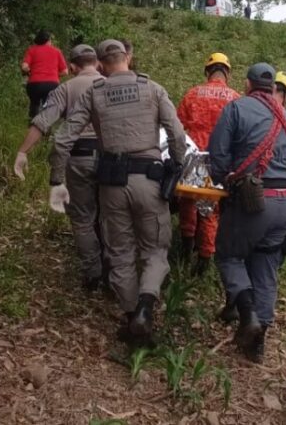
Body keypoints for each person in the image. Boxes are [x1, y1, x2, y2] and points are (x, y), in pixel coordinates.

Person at [49, 39, 186, 344]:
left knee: (120, 253)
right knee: (155, 250)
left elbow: (62, 141)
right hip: (149, 180)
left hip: (111, 184)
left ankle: (130, 317)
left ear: (99, 64)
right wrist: (176, 166)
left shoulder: (93, 92)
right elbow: (176, 133)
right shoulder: (153, 89)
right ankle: (145, 309)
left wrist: (57, 180)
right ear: (129, 57)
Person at [207, 63, 286, 362]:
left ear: (248, 85)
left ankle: (247, 314)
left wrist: (225, 182)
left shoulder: (236, 109)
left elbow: (218, 156)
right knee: (266, 264)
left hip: (254, 199)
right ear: (272, 86)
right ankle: (258, 342)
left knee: (229, 254)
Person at [13, 44, 106, 290]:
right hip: (112, 158)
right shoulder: (111, 85)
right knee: (110, 215)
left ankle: (92, 272)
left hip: (79, 158)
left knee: (83, 218)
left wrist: (23, 151)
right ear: (97, 63)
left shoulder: (65, 88)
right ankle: (113, 268)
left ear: (73, 67)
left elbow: (43, 122)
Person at [175, 53, 241, 275]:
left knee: (187, 203)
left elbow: (177, 126)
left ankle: (185, 248)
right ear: (227, 73)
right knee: (209, 211)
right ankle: (204, 259)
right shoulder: (235, 99)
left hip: (193, 158)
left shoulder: (192, 94)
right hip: (218, 161)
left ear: (207, 72)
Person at [21, 30, 68, 120]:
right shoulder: (57, 51)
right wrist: (54, 75)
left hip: (34, 84)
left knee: (34, 102)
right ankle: (47, 127)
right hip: (52, 84)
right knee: (48, 105)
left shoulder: (32, 50)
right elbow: (65, 71)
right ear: (49, 40)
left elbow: (24, 67)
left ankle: (33, 122)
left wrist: (29, 72)